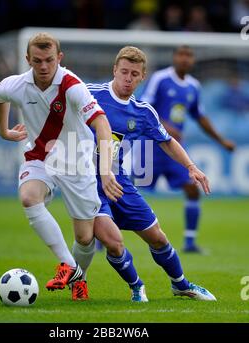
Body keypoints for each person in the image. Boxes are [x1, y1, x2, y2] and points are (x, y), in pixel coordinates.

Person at [71, 46, 216, 301]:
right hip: (86, 181)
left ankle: (180, 284)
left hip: (118, 180)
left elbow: (167, 141)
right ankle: (137, 287)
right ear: (114, 70)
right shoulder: (89, 95)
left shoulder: (143, 112)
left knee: (157, 237)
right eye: (124, 71)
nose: (128, 78)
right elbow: (56, 108)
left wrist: (191, 167)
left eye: (134, 74)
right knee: (113, 242)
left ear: (142, 77)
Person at [0, 32, 123, 294]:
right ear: (27, 58)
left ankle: (79, 277)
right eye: (37, 60)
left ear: (59, 58)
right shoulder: (15, 85)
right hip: (40, 157)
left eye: (49, 60)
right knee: (29, 197)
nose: (43, 66)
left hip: (77, 162)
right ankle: (68, 264)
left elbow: (102, 124)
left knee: (85, 237)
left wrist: (106, 169)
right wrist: (3, 131)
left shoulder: (72, 86)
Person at [139, 45, 235, 253]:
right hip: (152, 147)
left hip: (174, 151)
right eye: (181, 55)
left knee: (192, 190)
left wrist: (221, 141)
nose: (184, 59)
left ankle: (190, 242)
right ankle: (104, 238)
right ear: (174, 58)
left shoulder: (193, 86)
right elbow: (144, 106)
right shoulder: (160, 79)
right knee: (125, 190)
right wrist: (166, 126)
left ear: (192, 61)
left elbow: (200, 116)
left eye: (188, 56)